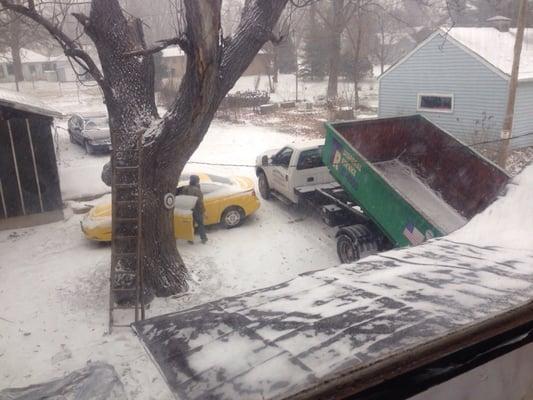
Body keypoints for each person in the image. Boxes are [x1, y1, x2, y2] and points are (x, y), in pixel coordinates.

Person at [181, 175, 208, 244]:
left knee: (190, 225)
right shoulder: (197, 190)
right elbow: (200, 202)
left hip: (189, 209)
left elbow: (183, 198)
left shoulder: (185, 188)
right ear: (196, 181)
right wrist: (204, 211)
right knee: (200, 224)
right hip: (197, 210)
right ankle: (203, 238)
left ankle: (190, 239)